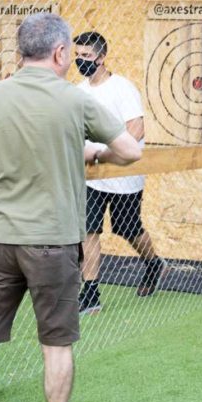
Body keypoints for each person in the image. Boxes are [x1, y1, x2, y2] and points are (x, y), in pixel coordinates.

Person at [0, 13, 142, 402]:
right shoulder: (77, 99)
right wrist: (94, 151)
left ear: (20, 53)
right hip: (52, 241)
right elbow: (130, 150)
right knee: (56, 346)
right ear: (61, 52)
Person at [73, 31, 165, 314]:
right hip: (92, 173)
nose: (81, 61)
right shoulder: (79, 91)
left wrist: (108, 152)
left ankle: (153, 263)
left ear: (102, 57)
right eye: (77, 55)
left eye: (86, 56)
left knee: (128, 228)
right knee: (87, 229)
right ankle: (91, 293)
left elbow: (137, 128)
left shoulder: (122, 88)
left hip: (124, 173)